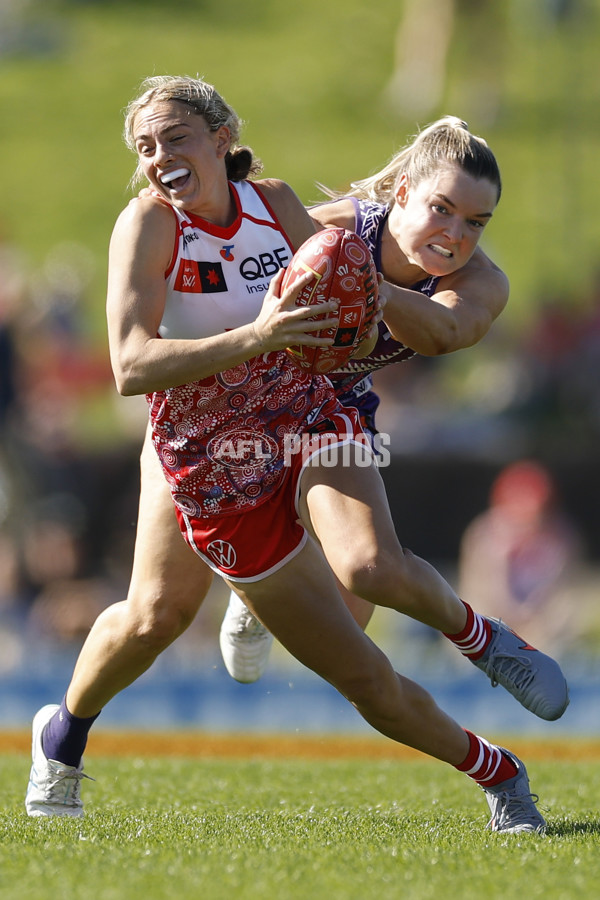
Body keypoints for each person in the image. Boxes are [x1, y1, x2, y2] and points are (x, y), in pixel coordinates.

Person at [25, 75, 565, 833]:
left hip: (312, 413)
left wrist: (342, 310)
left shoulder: (276, 205)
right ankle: (64, 736)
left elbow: (429, 328)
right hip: (203, 446)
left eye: (175, 138)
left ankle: (491, 698)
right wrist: (260, 336)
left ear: (223, 138)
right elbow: (128, 368)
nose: (159, 158)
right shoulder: (148, 224)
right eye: (146, 146)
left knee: (370, 569)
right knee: (159, 614)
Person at [217, 116, 523, 681]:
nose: (456, 234)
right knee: (156, 610)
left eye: (475, 222)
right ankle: (65, 735)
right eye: (442, 208)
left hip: (339, 406)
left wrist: (366, 287)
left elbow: (444, 334)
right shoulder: (330, 233)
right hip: (251, 395)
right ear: (403, 192)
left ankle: (267, 585)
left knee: (356, 598)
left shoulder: (481, 281)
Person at [458, 459, 584, 656]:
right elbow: (480, 590)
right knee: (470, 619)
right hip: (493, 615)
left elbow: (562, 590)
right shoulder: (483, 534)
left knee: (562, 617)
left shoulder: (562, 535)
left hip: (538, 619)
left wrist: (533, 615)